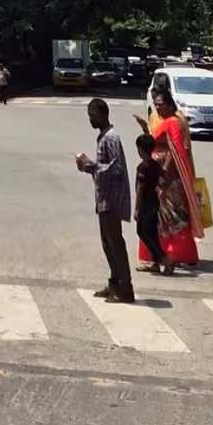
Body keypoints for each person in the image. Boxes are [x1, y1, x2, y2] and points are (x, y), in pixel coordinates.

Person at [135, 87, 202, 267]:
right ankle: (157, 257)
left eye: (161, 104)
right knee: (158, 218)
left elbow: (176, 148)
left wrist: (163, 171)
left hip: (168, 177)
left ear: (170, 104)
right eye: (155, 104)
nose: (158, 108)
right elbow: (152, 141)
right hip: (155, 172)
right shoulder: (160, 120)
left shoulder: (174, 121)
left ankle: (172, 255)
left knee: (172, 217)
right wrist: (144, 128)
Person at [76, 97, 135, 303]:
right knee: (107, 244)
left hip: (112, 200)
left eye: (93, 115)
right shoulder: (103, 136)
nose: (90, 120)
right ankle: (114, 283)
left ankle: (125, 288)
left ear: (103, 114)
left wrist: (90, 166)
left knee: (115, 243)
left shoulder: (111, 138)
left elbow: (116, 168)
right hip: (103, 199)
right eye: (89, 116)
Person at [133, 132, 169, 274]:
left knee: (143, 231)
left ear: (141, 150)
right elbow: (164, 179)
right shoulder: (155, 164)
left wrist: (137, 209)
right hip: (154, 201)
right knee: (150, 232)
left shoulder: (143, 167)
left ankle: (165, 259)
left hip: (146, 203)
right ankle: (155, 262)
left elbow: (140, 188)